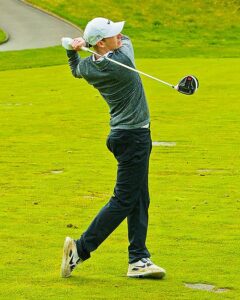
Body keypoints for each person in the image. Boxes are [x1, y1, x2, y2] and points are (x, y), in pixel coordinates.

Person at [61, 17, 166, 279]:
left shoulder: (88, 66)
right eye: (113, 35)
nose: (119, 36)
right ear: (101, 43)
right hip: (134, 139)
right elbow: (128, 41)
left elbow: (75, 70)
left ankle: (138, 259)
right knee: (124, 199)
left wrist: (72, 50)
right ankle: (80, 250)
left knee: (139, 198)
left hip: (122, 135)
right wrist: (85, 44)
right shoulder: (124, 61)